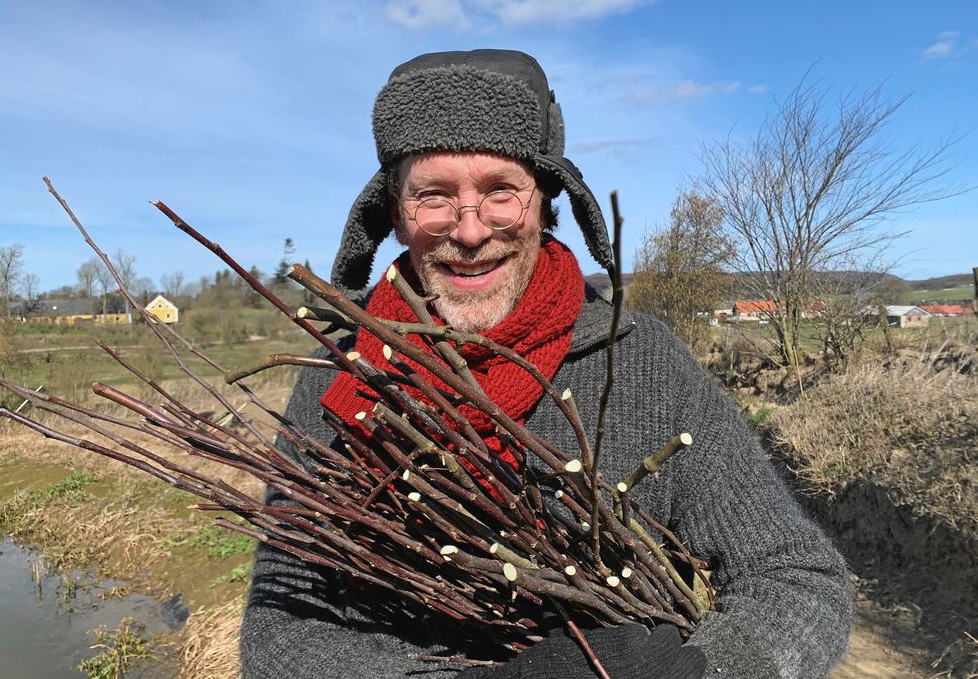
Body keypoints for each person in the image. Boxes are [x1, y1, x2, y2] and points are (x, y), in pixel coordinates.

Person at [239, 49, 853, 678]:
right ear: (396, 215)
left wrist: (702, 672)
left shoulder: (639, 359)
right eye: (434, 196)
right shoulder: (342, 373)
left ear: (545, 202)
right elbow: (280, 630)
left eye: (501, 192)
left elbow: (797, 577)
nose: (470, 231)